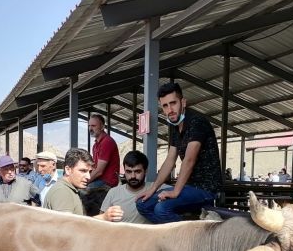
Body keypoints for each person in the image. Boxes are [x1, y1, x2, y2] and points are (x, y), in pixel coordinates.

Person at [136, 82, 222, 224]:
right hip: (189, 188)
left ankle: (189, 235)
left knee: (161, 209)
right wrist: (153, 189)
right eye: (165, 106)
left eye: (173, 103)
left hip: (206, 189)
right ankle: (177, 227)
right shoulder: (175, 126)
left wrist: (175, 191)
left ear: (183, 102)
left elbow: (189, 160)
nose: (170, 110)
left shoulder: (196, 122)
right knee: (142, 204)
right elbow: (170, 160)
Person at [44, 148, 123, 221]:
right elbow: (67, 225)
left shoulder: (69, 189)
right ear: (68, 170)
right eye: (83, 171)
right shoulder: (62, 191)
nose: (88, 177)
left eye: (89, 172)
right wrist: (103, 217)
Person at [100, 151, 158, 224]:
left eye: (137, 171)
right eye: (128, 172)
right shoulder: (113, 192)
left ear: (145, 171)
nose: (133, 176)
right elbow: (101, 221)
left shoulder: (155, 188)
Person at [88, 114, 120, 188]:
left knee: (82, 190)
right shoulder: (95, 145)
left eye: (93, 126)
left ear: (102, 127)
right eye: (89, 126)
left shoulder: (107, 142)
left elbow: (99, 171)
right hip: (100, 180)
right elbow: (94, 167)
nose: (90, 128)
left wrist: (84, 182)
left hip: (108, 182)